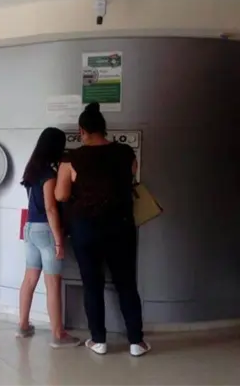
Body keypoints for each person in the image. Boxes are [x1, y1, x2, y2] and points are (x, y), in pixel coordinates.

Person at [55, 102, 150, 357]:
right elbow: (132, 175)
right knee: (126, 283)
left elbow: (61, 195)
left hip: (85, 228)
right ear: (103, 128)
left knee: (92, 284)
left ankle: (98, 340)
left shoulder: (71, 158)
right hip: (120, 227)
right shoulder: (125, 153)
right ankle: (136, 342)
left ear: (82, 130)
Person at [17, 127, 81, 348]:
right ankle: (58, 335)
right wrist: (58, 240)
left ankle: (23, 326)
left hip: (30, 228)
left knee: (29, 279)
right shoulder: (49, 174)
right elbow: (51, 208)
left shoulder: (32, 170)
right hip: (46, 230)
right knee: (53, 283)